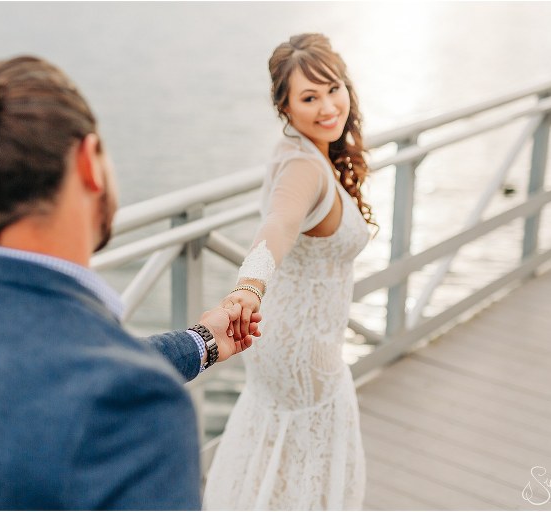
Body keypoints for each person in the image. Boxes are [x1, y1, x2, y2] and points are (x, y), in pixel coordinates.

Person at [0, 55, 261, 510]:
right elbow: (99, 391)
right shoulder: (143, 405)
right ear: (89, 160)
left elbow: (59, 390)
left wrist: (203, 341)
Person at [203, 33, 376, 510]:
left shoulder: (302, 149)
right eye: (309, 97)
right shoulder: (302, 166)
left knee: (270, 459)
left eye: (333, 89)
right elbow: (278, 224)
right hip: (304, 352)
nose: (328, 107)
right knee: (300, 468)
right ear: (285, 106)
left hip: (283, 343)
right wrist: (248, 285)